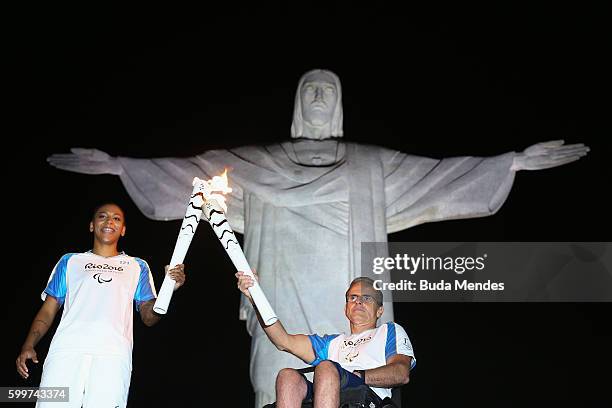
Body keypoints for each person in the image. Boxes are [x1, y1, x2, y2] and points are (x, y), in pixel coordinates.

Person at [46, 69, 589, 406]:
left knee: (352, 384)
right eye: (311, 91)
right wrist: (120, 166)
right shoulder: (258, 164)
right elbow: (190, 176)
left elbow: (441, 176)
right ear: (297, 102)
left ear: (342, 102)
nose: (320, 99)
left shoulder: (368, 165)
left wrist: (512, 163)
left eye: (330, 91)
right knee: (276, 383)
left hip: (349, 298)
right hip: (275, 297)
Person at [15, 202, 186, 408]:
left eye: (116, 218)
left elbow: (149, 318)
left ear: (123, 230)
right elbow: (48, 311)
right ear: (91, 225)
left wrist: (168, 290)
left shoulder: (137, 266)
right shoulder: (70, 261)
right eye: (102, 216)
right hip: (66, 352)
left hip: (113, 356)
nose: (109, 221)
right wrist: (28, 345)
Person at [237, 271, 414, 407]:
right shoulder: (331, 343)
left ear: (379, 310)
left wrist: (357, 375)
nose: (358, 302)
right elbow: (282, 341)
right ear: (346, 308)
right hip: (331, 393)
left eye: (367, 298)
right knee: (288, 376)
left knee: (326, 368)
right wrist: (256, 298)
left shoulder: (388, 331)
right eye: (353, 297)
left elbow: (401, 372)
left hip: (367, 396)